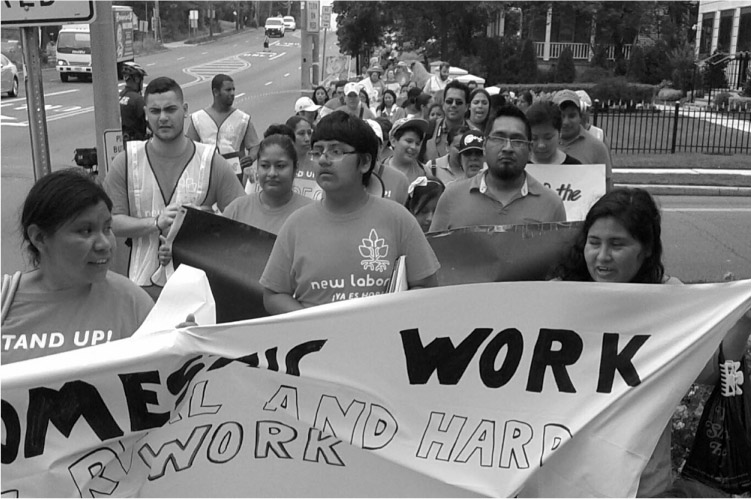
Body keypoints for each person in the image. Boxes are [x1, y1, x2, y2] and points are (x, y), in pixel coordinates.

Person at [551, 187, 751, 497]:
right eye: (594, 242)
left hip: (640, 483)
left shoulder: (669, 299)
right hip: (560, 477)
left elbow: (709, 372)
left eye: (617, 245)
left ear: (645, 249)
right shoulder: (555, 296)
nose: (602, 256)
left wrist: (743, 321)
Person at [260, 111, 440, 313]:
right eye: (317, 151)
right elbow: (274, 294)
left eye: (336, 152)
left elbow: (426, 287)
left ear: (364, 162)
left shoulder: (398, 220)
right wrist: (312, 323)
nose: (324, 160)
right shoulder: (297, 224)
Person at [103, 76, 244, 298]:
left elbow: (241, 220)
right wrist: (154, 223)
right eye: (155, 111)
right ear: (146, 114)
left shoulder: (211, 160)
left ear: (185, 110)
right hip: (140, 287)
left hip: (197, 287)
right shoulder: (126, 161)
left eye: (170, 109)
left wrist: (200, 223)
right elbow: (110, 222)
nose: (163, 118)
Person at [2, 169, 153, 364]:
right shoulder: (6, 300)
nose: (104, 244)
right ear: (39, 237)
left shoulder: (132, 302)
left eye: (107, 228)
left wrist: (184, 345)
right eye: (85, 231)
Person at [429, 105, 566, 232]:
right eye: (499, 138)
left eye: (517, 140)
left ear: (530, 149)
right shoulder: (452, 197)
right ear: (484, 146)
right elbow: (434, 255)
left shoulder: (551, 205)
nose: (507, 148)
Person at [223, 133, 312, 235]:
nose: (272, 173)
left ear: (296, 168)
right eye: (265, 166)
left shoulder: (312, 214)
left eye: (280, 166)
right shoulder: (236, 210)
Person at [186, 74, 261, 182]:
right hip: (207, 176)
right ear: (216, 92)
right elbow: (189, 147)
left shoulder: (243, 119)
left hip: (235, 177)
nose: (232, 93)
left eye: (233, 90)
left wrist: (251, 158)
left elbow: (254, 146)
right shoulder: (198, 118)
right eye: (228, 90)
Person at [553, 89, 613, 191]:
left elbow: (607, 189)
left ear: (580, 116)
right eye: (561, 116)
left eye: (571, 115)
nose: (566, 122)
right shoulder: (542, 146)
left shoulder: (597, 148)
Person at [422, 80, 471, 163]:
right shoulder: (428, 128)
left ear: (466, 107)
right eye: (449, 101)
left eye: (458, 102)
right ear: (443, 105)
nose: (453, 105)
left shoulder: (473, 133)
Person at [365, 118, 410, 204]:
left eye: (372, 144)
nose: (366, 149)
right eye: (361, 144)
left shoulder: (400, 180)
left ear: (381, 147)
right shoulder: (345, 177)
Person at [384, 117, 430, 184]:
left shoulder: (425, 172)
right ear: (393, 141)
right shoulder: (379, 170)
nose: (413, 147)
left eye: (417, 143)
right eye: (409, 141)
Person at [119, 62, 148, 142]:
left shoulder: (120, 96)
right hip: (135, 143)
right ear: (137, 79)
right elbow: (149, 122)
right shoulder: (138, 100)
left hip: (121, 140)